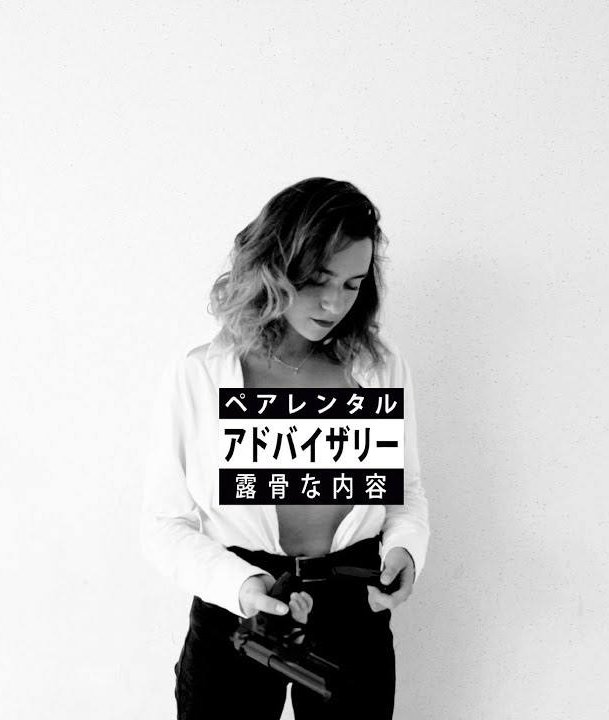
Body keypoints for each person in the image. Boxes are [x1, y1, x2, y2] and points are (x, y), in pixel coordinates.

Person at [140, 177, 430, 719]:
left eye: (352, 284)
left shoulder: (377, 367)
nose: (334, 302)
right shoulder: (202, 374)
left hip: (353, 606)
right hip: (238, 606)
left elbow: (404, 492)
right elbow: (163, 523)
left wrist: (405, 550)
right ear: (275, 266)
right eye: (318, 279)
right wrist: (242, 585)